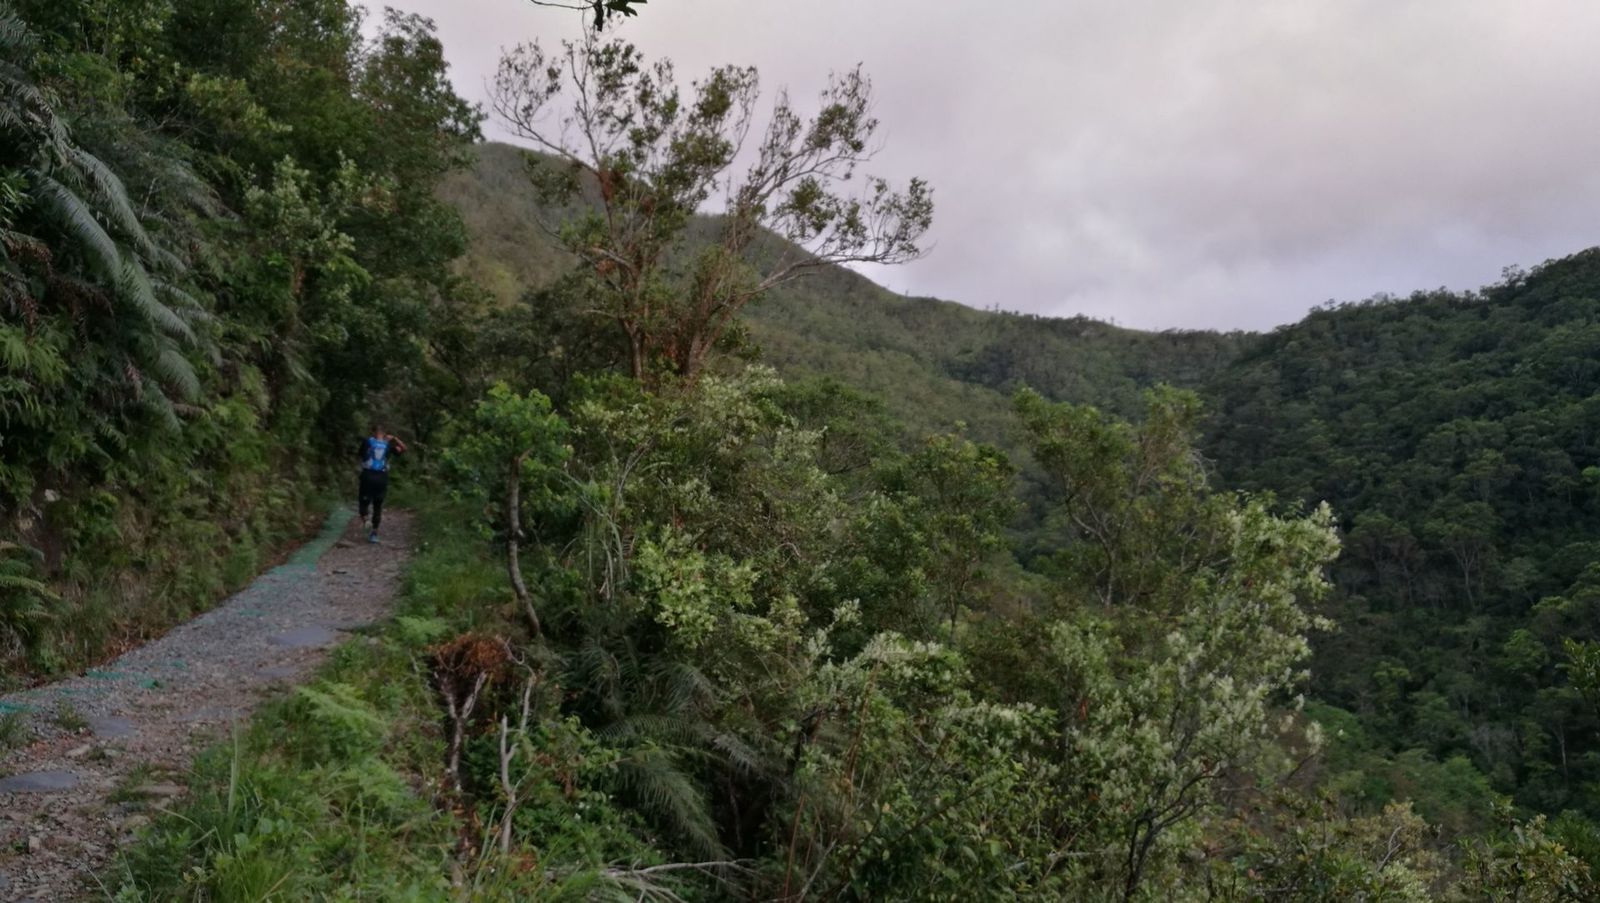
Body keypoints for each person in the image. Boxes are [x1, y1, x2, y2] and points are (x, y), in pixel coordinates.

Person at [358, 423, 406, 543]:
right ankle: (374, 534)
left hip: (368, 476)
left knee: (363, 502)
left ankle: (366, 519)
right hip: (382, 477)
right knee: (378, 505)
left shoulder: (367, 441)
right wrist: (394, 439)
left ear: (373, 432)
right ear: (385, 433)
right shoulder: (388, 445)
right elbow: (404, 449)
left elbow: (361, 455)